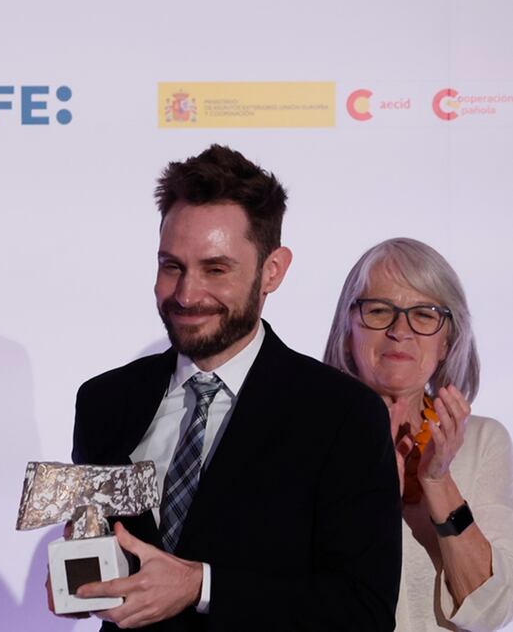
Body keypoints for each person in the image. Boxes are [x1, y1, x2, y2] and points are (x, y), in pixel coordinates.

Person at [61, 144, 402, 630]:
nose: (186, 294)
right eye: (171, 266)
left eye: (215, 269)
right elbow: (103, 555)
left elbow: (362, 609)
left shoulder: (341, 415)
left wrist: (203, 586)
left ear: (273, 270)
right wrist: (82, 582)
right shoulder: (105, 401)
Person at [324, 237, 513, 631]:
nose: (400, 331)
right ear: (347, 330)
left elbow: (492, 612)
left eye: (424, 315)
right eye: (378, 310)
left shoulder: (484, 442)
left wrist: (437, 481)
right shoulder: (306, 436)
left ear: (447, 341)